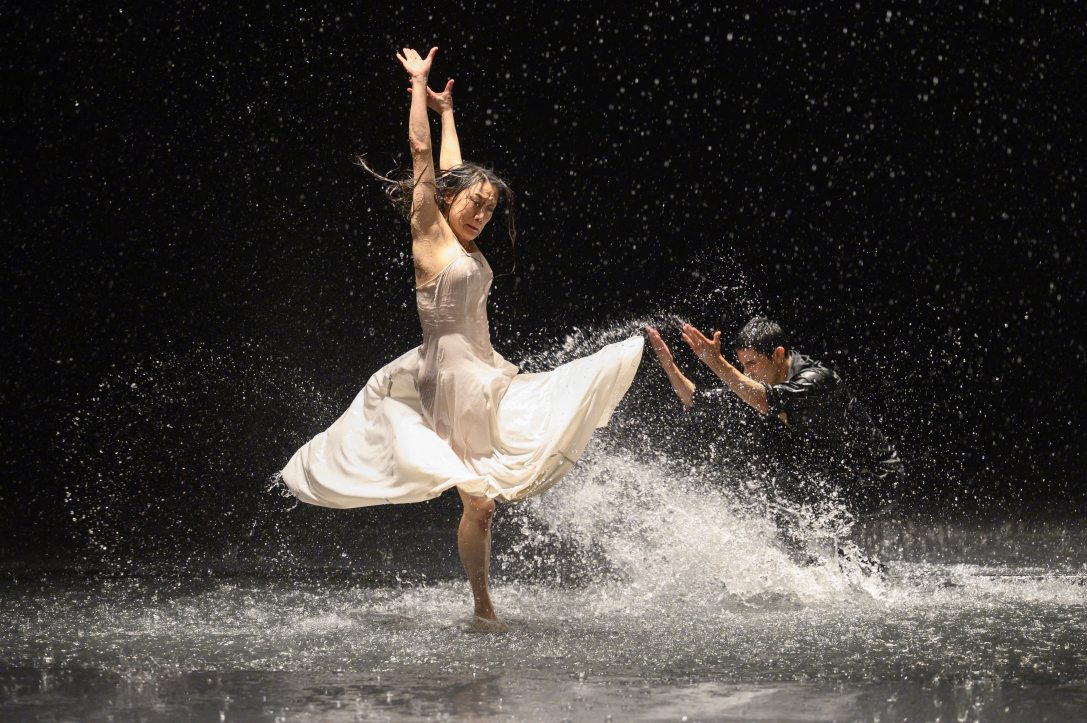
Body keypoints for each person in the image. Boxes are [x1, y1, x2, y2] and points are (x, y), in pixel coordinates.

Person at [279, 47, 643, 631]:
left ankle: (482, 608)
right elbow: (425, 159)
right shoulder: (430, 235)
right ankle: (484, 608)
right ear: (449, 202)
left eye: (489, 210)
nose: (480, 215)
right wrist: (420, 88)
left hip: (485, 370)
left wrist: (449, 112)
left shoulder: (465, 239)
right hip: (449, 381)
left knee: (486, 499)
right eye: (474, 205)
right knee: (479, 499)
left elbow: (454, 167)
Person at [645, 316, 904, 567]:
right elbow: (696, 401)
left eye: (753, 363)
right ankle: (813, 567)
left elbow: (763, 399)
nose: (748, 372)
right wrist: (669, 365)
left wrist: (717, 362)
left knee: (788, 490)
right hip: (833, 468)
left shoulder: (816, 379)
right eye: (743, 365)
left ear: (778, 355)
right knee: (765, 481)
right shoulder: (761, 383)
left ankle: (844, 567)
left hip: (877, 477)